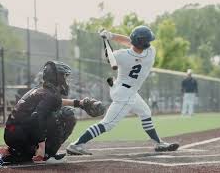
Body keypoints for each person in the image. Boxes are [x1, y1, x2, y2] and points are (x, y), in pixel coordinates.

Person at [66, 26, 179, 155]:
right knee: (108, 124)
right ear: (144, 43)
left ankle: (159, 143)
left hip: (121, 88)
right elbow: (131, 42)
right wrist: (111, 36)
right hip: (125, 96)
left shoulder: (120, 55)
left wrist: (107, 38)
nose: (150, 43)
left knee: (145, 112)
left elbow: (109, 57)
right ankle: (76, 145)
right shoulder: (150, 52)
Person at [0, 61, 105, 165]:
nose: (66, 80)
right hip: (21, 134)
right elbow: (36, 117)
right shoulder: (50, 95)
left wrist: (79, 103)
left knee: (23, 157)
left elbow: (54, 102)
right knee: (67, 114)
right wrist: (42, 147)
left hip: (13, 133)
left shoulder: (40, 90)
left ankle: (7, 155)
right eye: (65, 76)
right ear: (58, 77)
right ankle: (48, 155)